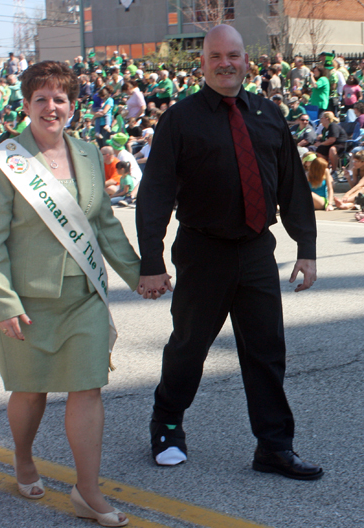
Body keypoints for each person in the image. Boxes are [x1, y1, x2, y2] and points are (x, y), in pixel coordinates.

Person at [136, 25, 323, 480]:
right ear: (202, 64)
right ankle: (168, 427)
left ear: (245, 60)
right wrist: (152, 262)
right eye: (216, 56)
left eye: (233, 55)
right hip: (203, 252)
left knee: (266, 351)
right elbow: (156, 193)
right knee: (189, 346)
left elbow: (292, 185)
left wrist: (307, 247)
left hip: (257, 249)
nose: (225, 63)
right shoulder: (179, 119)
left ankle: (274, 447)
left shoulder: (267, 113)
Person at [0, 61, 140, 527]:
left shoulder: (88, 153)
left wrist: (140, 274)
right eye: (42, 98)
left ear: (72, 106)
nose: (52, 107)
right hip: (28, 304)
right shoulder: (5, 161)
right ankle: (24, 458)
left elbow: (103, 224)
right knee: (30, 393)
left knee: (87, 388)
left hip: (84, 297)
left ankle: (87, 491)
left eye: (60, 98)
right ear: (27, 105)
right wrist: (2, 302)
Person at [314, 111, 347, 175]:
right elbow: (325, 139)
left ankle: (334, 170)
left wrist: (320, 144)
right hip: (331, 144)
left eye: (322, 118)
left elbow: (332, 140)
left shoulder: (333, 126)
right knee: (320, 150)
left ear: (327, 119)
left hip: (340, 144)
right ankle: (325, 169)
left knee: (332, 149)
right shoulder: (324, 129)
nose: (320, 119)